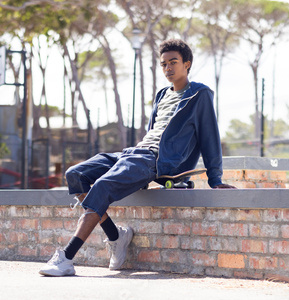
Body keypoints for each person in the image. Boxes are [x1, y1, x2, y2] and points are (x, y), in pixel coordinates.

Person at [39, 38, 236, 277]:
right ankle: (116, 236)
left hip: (156, 160)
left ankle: (67, 258)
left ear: (187, 64)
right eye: (163, 64)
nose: (168, 68)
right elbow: (154, 131)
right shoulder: (162, 94)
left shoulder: (199, 95)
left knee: (102, 186)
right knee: (75, 174)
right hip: (136, 152)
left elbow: (210, 137)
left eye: (173, 62)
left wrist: (215, 178)